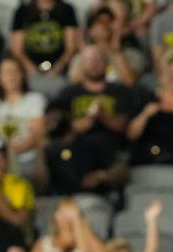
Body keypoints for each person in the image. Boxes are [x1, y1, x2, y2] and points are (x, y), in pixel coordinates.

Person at [45, 46, 133, 195]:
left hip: (110, 149)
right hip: (76, 149)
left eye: (97, 60)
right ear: (81, 65)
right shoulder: (69, 93)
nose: (93, 64)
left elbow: (124, 126)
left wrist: (102, 116)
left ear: (106, 63)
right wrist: (82, 123)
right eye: (89, 60)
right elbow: (56, 124)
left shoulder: (119, 91)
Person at [0, 58, 47, 186]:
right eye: (6, 72)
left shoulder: (34, 100)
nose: (11, 76)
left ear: (22, 75)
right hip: (0, 160)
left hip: (28, 156)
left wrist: (12, 153)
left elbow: (37, 133)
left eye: (15, 72)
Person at [10, 0, 79, 77]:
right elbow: (17, 51)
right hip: (28, 70)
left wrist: (57, 69)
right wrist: (31, 69)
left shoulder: (66, 10)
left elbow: (71, 48)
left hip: (61, 70)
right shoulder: (23, 11)